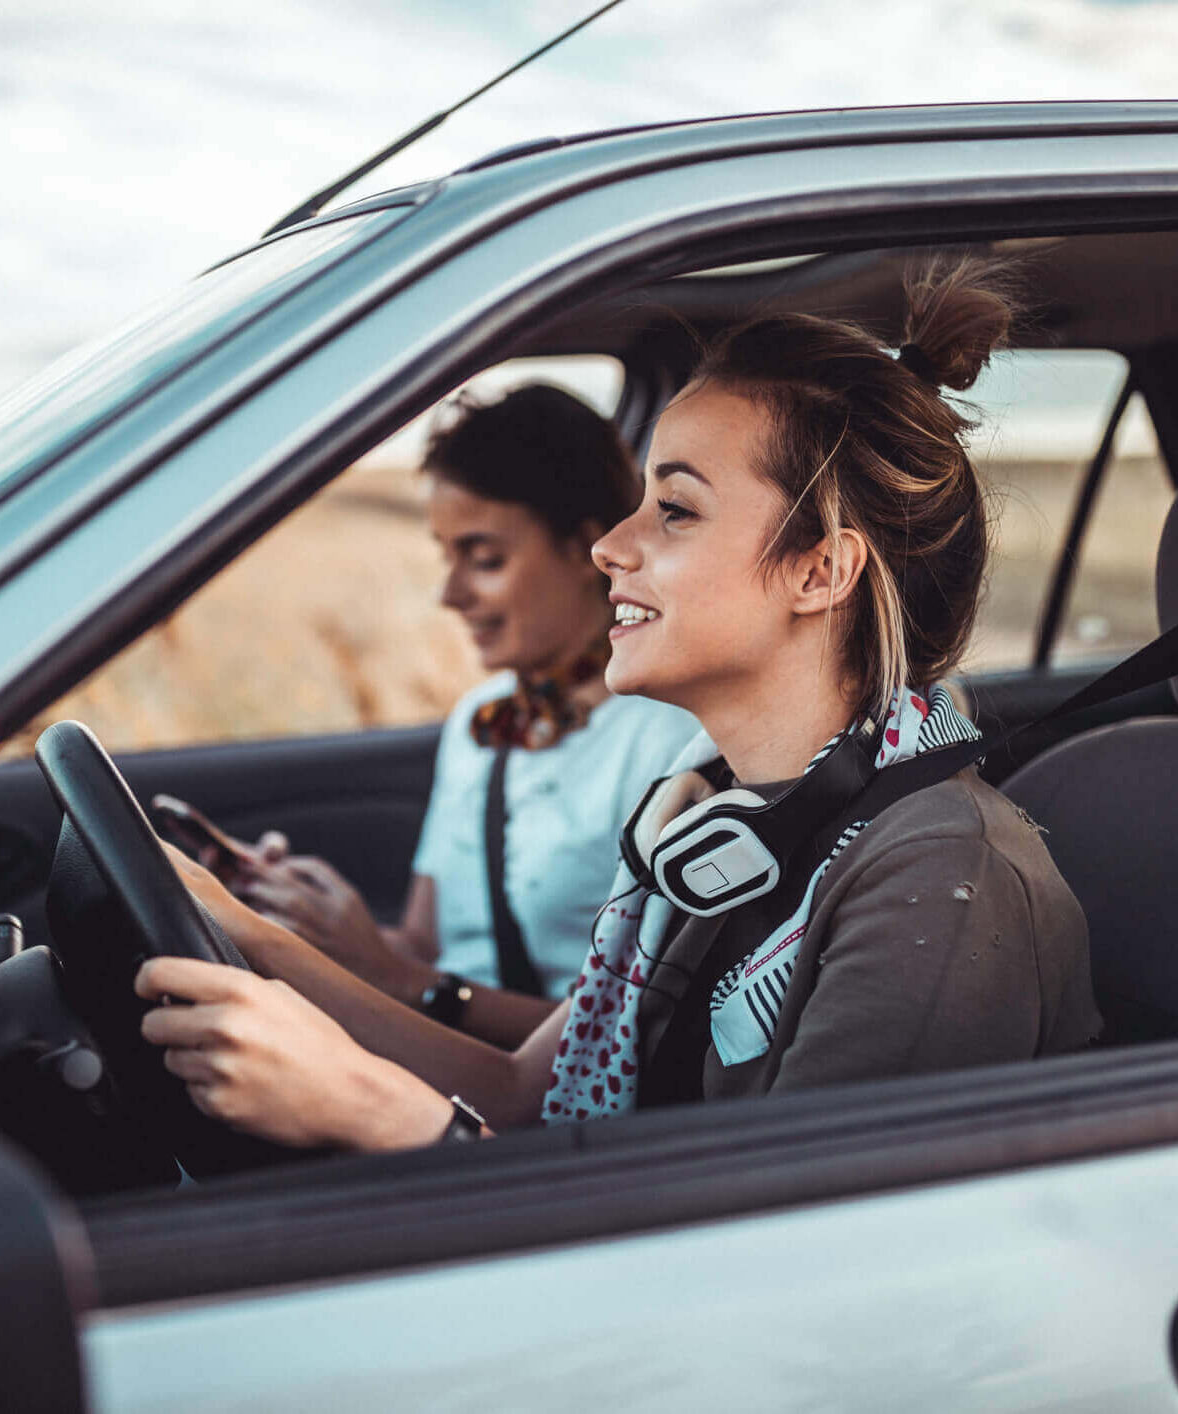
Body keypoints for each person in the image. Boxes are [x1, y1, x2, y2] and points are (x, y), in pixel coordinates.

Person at [134, 259, 1101, 1151]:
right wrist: (244, 929)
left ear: (821, 570)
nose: (611, 547)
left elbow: (779, 1282)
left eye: (673, 510)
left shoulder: (939, 875)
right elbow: (518, 1097)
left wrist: (374, 1109)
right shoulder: (714, 822)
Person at [221, 385, 700, 1049]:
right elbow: (423, 942)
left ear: (589, 545)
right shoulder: (481, 718)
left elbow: (640, 1033)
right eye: (447, 556)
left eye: (485, 559)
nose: (451, 595)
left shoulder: (671, 738)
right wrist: (303, 920)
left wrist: (402, 980)